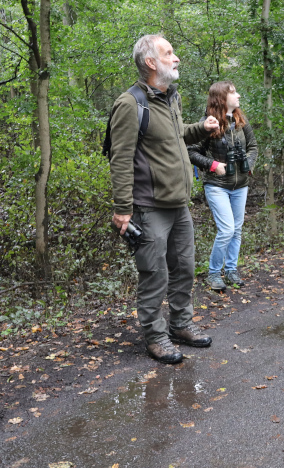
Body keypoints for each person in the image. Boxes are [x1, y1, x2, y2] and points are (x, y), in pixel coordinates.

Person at [108, 34, 220, 364]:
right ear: (151, 62)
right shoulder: (130, 105)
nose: (176, 58)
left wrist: (202, 128)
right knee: (154, 273)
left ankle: (181, 326)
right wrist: (122, 210)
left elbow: (175, 134)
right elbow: (121, 158)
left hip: (178, 204)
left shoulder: (170, 98)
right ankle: (156, 336)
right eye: (169, 53)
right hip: (149, 205)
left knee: (184, 268)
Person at [187, 82, 257, 292]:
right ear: (221, 98)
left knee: (236, 229)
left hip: (240, 185)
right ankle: (214, 273)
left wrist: (249, 166)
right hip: (216, 184)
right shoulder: (208, 123)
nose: (238, 96)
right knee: (227, 229)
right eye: (233, 92)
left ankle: (231, 270)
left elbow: (253, 146)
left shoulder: (240, 121)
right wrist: (213, 165)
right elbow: (191, 151)